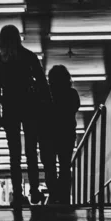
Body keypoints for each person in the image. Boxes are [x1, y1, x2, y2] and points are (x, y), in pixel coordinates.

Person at [0, 25, 50, 208]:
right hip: (30, 108)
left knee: (14, 154)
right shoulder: (29, 57)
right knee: (31, 151)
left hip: (9, 109)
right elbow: (42, 84)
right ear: (18, 38)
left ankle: (17, 194)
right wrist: (46, 107)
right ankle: (34, 191)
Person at [43, 65, 80, 204]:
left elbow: (40, 114)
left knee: (49, 166)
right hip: (66, 135)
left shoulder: (46, 94)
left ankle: (54, 194)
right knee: (65, 167)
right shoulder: (72, 94)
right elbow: (74, 108)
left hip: (48, 136)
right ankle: (64, 196)